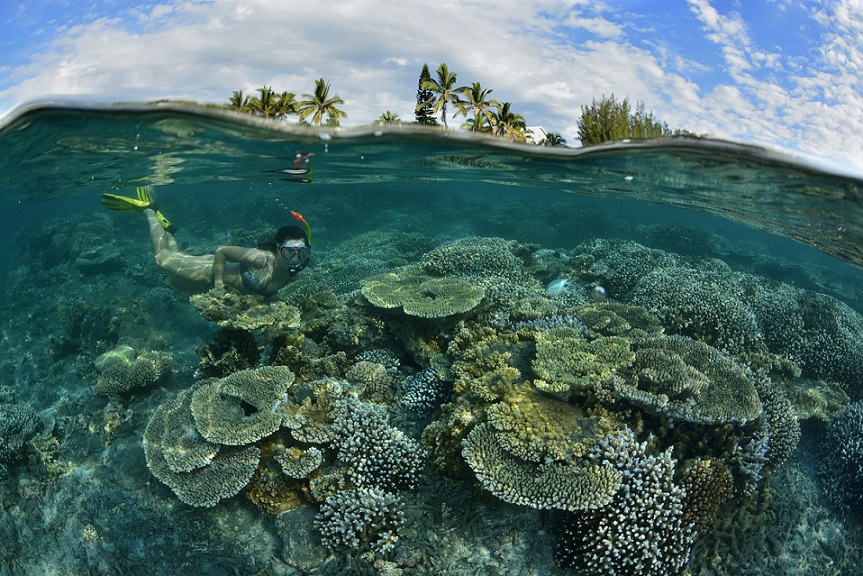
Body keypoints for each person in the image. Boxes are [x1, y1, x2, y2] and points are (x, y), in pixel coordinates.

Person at [101, 187, 311, 295]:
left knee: (174, 271)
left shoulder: (293, 274)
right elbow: (222, 250)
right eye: (289, 251)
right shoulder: (262, 259)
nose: (295, 257)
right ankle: (148, 210)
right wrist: (219, 283)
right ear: (278, 248)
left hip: (204, 284)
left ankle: (168, 230)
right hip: (207, 270)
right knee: (161, 259)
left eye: (301, 253)